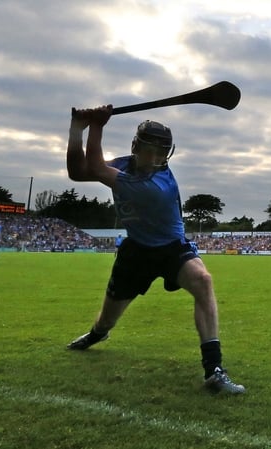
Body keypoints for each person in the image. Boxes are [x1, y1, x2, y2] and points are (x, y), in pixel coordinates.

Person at [65, 105, 244, 394]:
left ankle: (214, 370)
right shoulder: (123, 165)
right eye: (149, 150)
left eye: (161, 153)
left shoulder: (155, 185)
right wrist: (76, 129)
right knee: (107, 318)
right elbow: (78, 171)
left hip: (171, 248)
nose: (155, 158)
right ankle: (98, 334)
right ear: (136, 147)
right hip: (135, 251)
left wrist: (95, 125)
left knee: (202, 280)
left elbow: (96, 167)